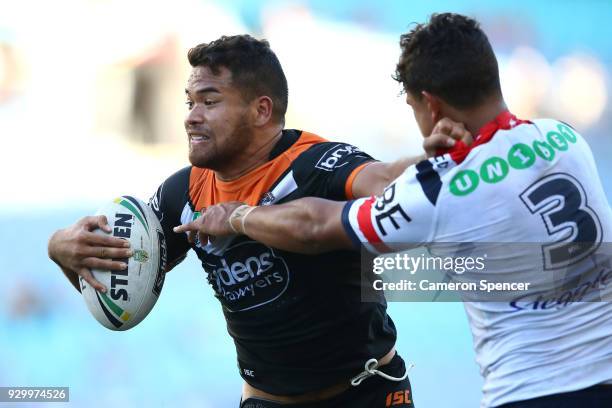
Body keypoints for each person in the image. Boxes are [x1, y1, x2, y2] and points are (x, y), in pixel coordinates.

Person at [178, 15, 612, 408]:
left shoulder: (439, 190)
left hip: (531, 391)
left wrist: (238, 217)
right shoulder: (562, 138)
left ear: (431, 105)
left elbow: (315, 226)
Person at [47, 34, 470, 407]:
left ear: (261, 110)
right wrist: (62, 249)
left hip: (368, 394)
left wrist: (434, 162)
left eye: (210, 102)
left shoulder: (316, 164)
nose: (191, 116)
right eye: (190, 102)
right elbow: (119, 291)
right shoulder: (183, 193)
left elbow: (385, 178)